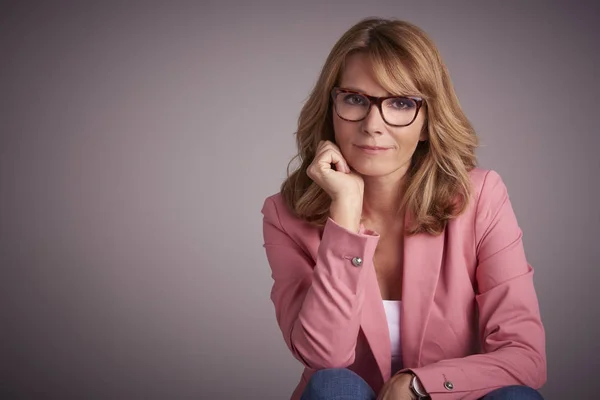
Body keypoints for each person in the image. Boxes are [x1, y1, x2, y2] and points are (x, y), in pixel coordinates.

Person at [260, 17, 546, 400]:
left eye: (400, 104)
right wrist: (344, 212)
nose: (373, 125)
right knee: (332, 384)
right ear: (331, 107)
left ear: (427, 122)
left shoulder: (480, 197)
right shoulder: (285, 215)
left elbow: (525, 357)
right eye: (355, 99)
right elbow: (323, 354)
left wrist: (418, 386)